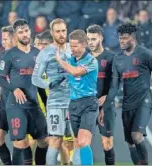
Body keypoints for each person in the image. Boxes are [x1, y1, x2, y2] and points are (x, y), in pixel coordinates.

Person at [103, 23, 152, 165]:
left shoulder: (145, 54)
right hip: (127, 104)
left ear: (133, 39)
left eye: (125, 38)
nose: (121, 41)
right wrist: (104, 105)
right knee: (130, 143)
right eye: (120, 38)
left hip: (144, 101)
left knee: (136, 135)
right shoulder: (118, 59)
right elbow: (115, 86)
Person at [0, 19, 48, 165]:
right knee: (20, 142)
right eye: (20, 32)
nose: (24, 34)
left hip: (34, 105)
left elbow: (39, 83)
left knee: (44, 141)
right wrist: (15, 88)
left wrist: (46, 103)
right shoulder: (9, 55)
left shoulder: (38, 54)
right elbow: (0, 79)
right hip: (16, 105)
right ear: (16, 35)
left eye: (26, 31)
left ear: (30, 31)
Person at [55, 29, 98, 165]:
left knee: (83, 142)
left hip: (88, 104)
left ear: (84, 44)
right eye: (71, 45)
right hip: (73, 104)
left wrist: (59, 60)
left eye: (75, 46)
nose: (72, 49)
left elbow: (75, 73)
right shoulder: (69, 59)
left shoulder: (91, 61)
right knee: (76, 144)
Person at [32, 18, 71, 165]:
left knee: (78, 141)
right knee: (55, 140)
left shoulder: (74, 50)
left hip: (75, 102)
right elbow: (35, 78)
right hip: (54, 103)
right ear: (52, 33)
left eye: (63, 31)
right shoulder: (45, 54)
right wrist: (50, 84)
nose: (61, 34)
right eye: (58, 31)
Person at [86, 24, 116, 165]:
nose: (91, 42)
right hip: (86, 106)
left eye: (94, 39)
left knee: (107, 143)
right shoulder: (83, 57)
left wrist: (107, 97)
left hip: (105, 106)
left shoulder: (110, 57)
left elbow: (117, 83)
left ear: (101, 38)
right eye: (89, 39)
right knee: (84, 142)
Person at [0, 26, 14, 165]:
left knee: (24, 142)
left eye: (5, 39)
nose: (3, 42)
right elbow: (2, 83)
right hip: (4, 102)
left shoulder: (24, 55)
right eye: (2, 39)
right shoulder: (2, 56)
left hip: (19, 103)